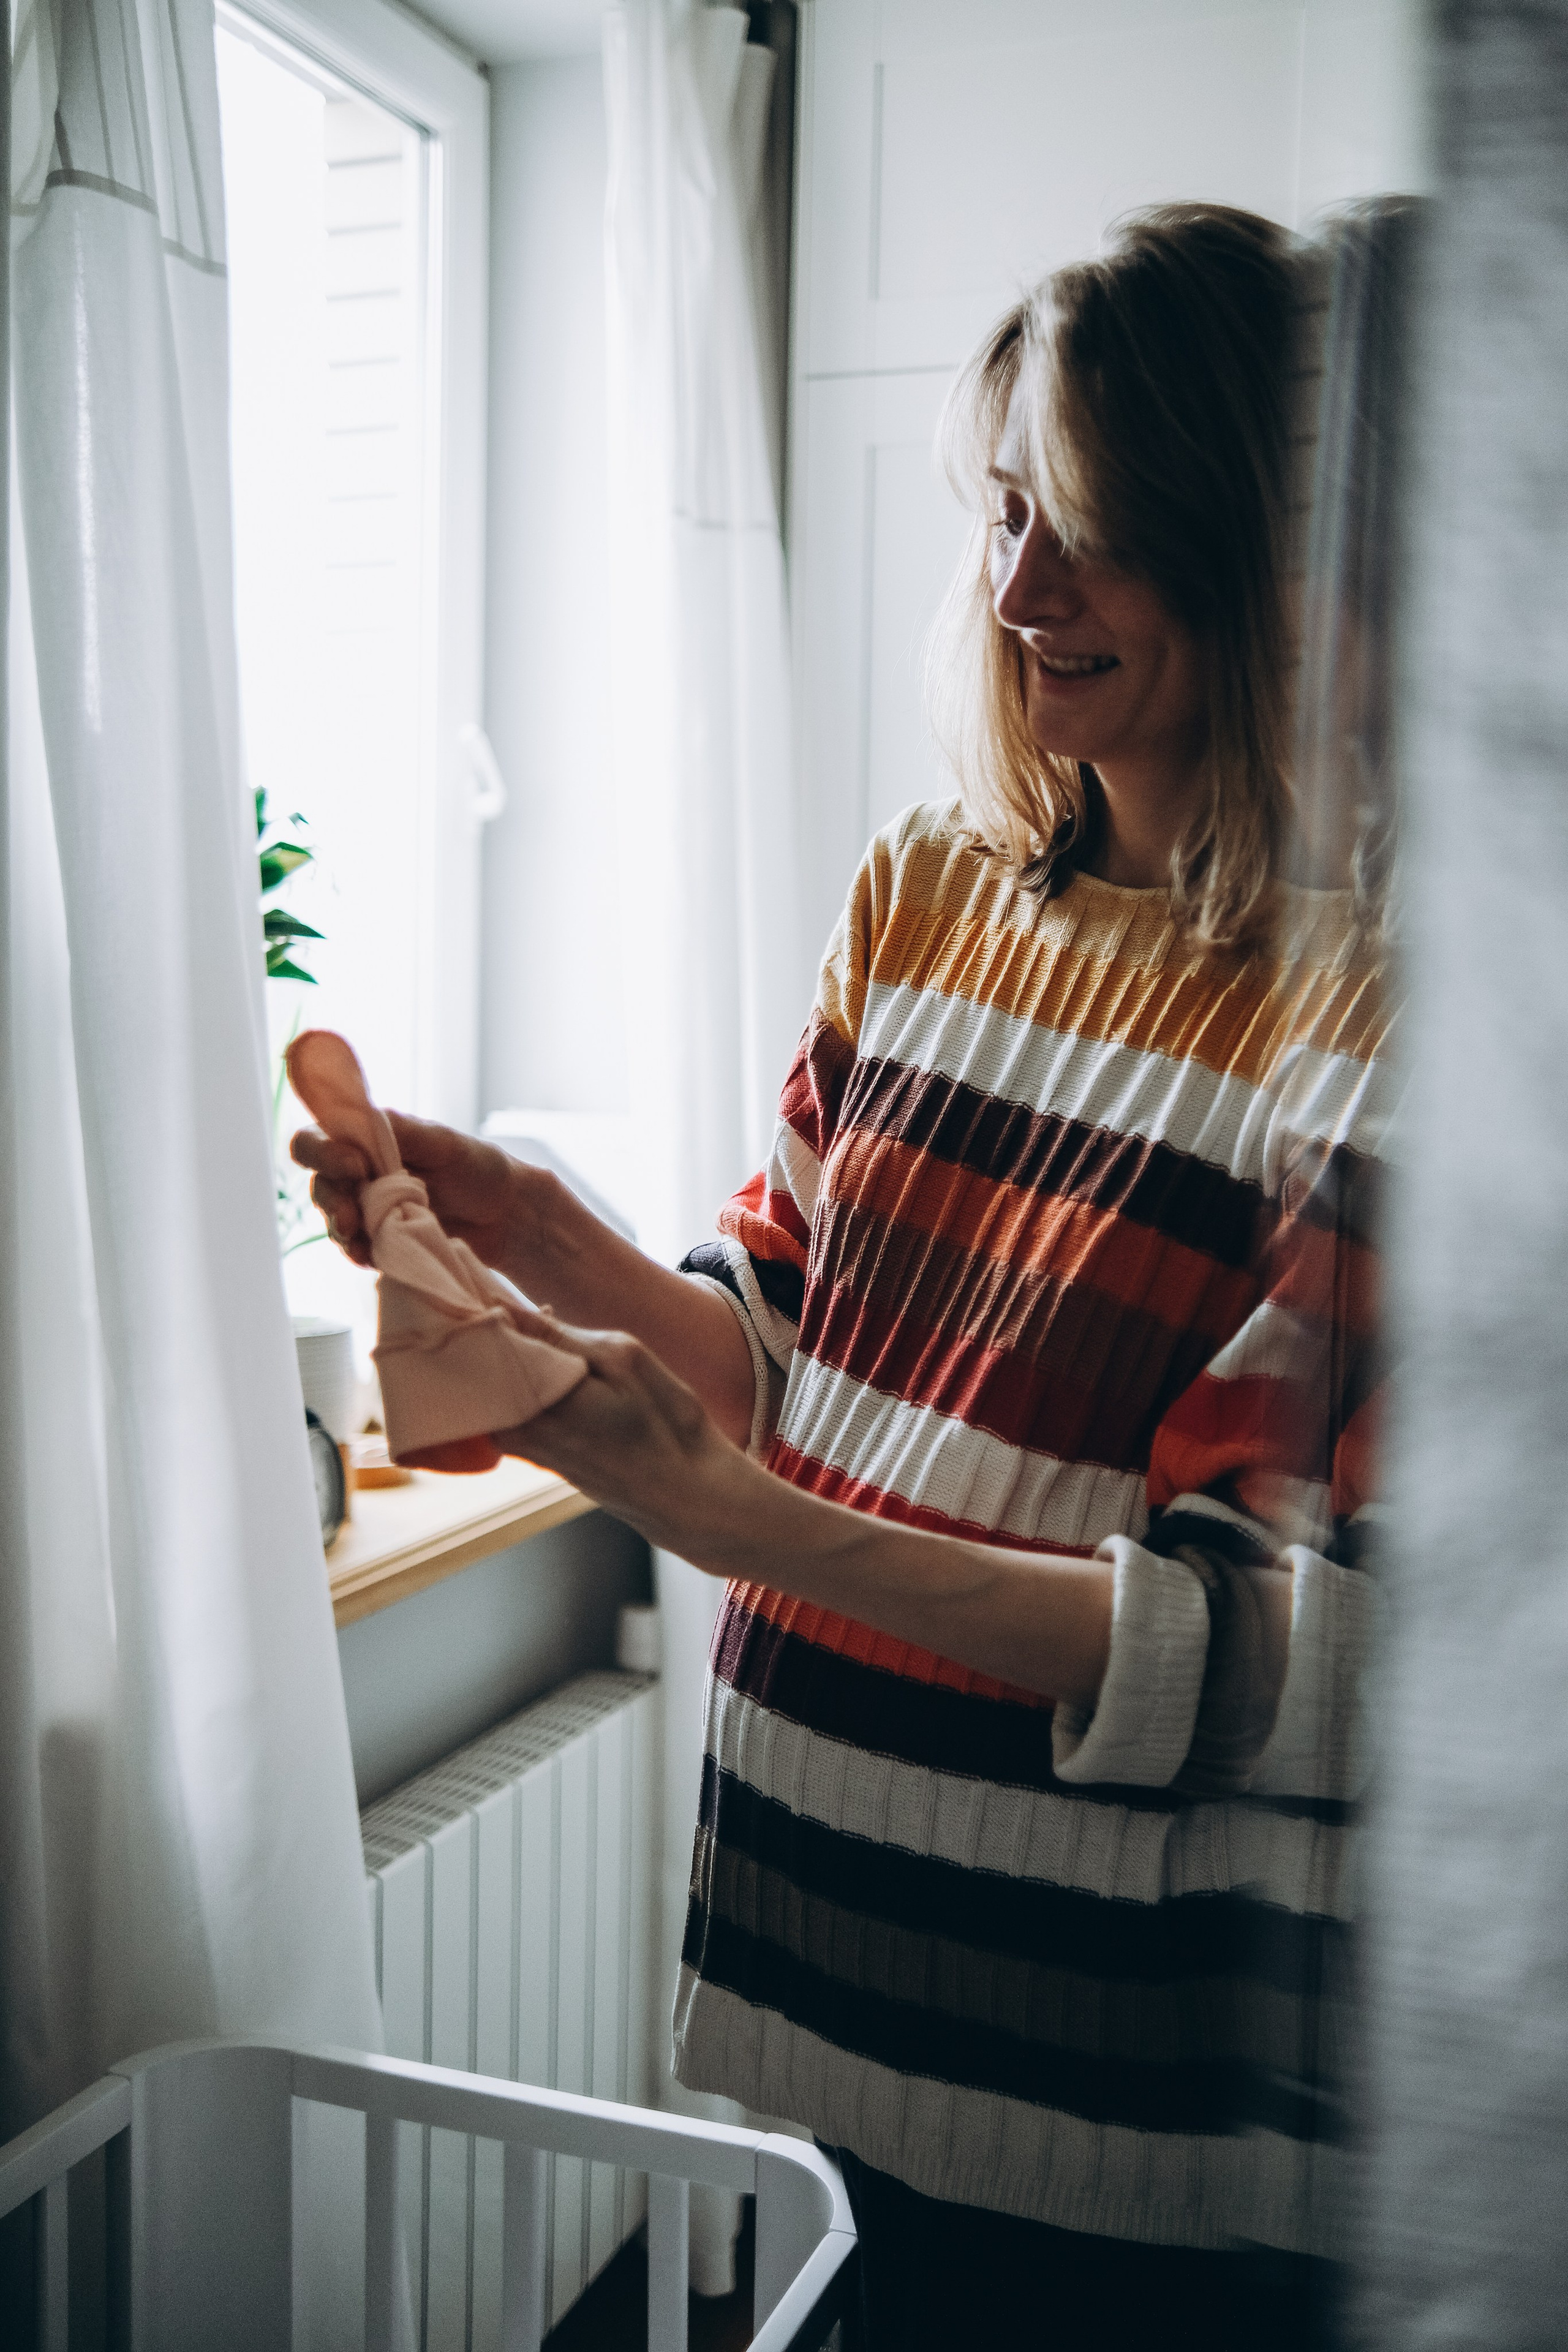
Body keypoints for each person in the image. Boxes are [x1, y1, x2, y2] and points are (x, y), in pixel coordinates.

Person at [298, 204, 1391, 2350]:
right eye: (1001, 516)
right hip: (830, 1941)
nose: (1018, 593)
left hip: (1111, 2065)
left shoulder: (1381, 1013)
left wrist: (725, 1525)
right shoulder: (918, 898)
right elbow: (779, 1348)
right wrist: (533, 1227)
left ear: (1256, 555)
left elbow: (1260, 1655)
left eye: (1086, 527)